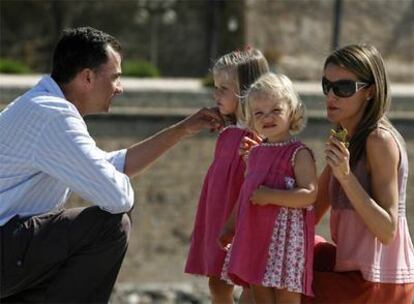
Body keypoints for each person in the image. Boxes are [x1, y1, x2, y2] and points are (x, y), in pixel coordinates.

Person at [0, 26, 222, 302]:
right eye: (116, 77)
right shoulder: (54, 116)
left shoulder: (42, 106)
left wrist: (183, 129)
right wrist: (107, 180)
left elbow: (112, 165)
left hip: (11, 247)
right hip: (7, 248)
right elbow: (118, 198)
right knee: (111, 226)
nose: (120, 88)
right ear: (87, 77)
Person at [305, 44, 414, 303]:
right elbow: (310, 212)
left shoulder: (379, 140)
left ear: (370, 92)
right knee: (278, 259)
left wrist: (345, 176)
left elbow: (387, 230)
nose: (331, 96)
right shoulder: (345, 139)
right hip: (353, 273)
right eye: (326, 86)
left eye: (343, 88)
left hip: (381, 284)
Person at [220, 72, 318, 304]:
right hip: (256, 236)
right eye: (259, 113)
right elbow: (246, 194)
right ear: (251, 120)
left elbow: (309, 194)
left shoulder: (298, 153)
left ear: (292, 110)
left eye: (276, 110)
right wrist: (230, 226)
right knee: (260, 294)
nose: (268, 117)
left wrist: (271, 196)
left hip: (286, 243)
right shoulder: (255, 153)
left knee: (286, 297)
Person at [184, 48, 269, 304]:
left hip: (242, 217)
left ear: (247, 91)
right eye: (216, 87)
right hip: (218, 214)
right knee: (217, 283)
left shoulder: (258, 135)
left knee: (249, 282)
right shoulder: (228, 129)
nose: (215, 94)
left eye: (223, 88)